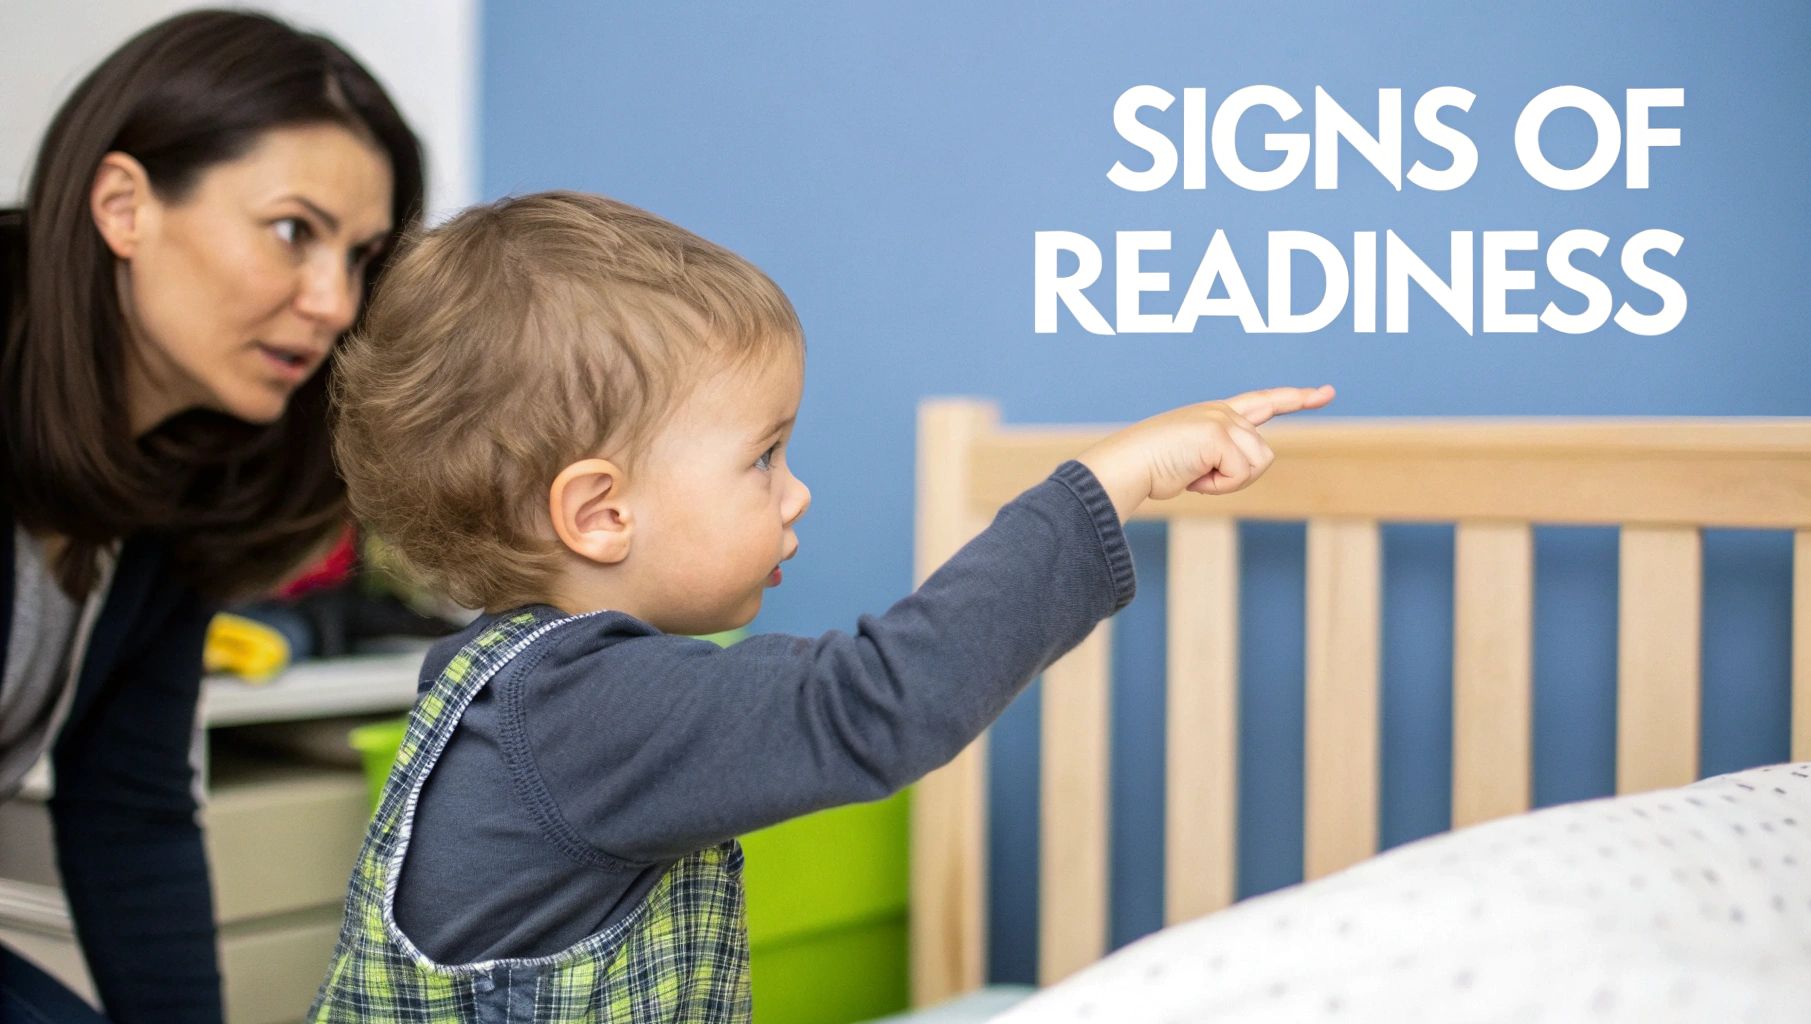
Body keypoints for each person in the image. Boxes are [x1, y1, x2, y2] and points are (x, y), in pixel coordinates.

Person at [311, 190, 1333, 1021]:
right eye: (762, 457)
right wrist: (1107, 485)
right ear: (600, 512)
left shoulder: (510, 685)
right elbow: (880, 702)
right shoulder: (586, 711)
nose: (795, 493)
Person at [0, 10, 422, 1021]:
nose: (333, 303)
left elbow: (129, 806)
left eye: (358, 256)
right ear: (124, 206)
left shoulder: (176, 477)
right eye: (294, 232)